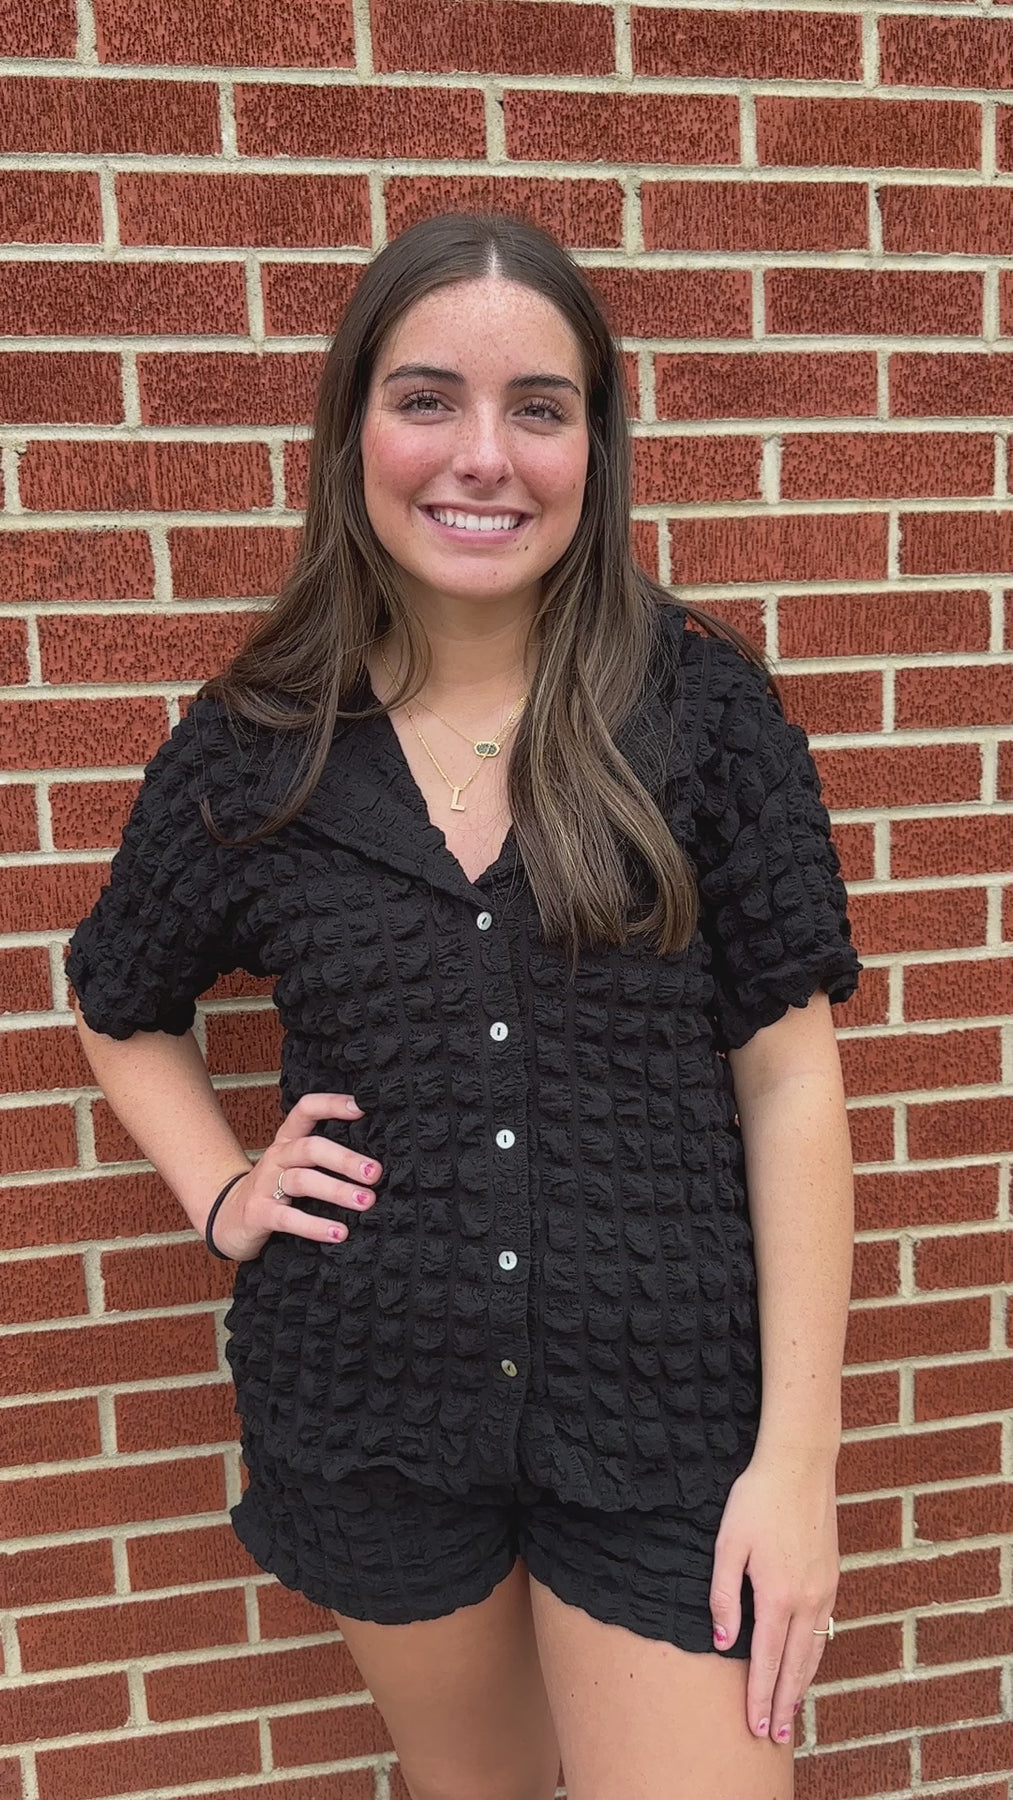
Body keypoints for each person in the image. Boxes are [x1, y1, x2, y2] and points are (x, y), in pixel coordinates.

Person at [68, 211, 860, 1800]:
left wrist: (796, 1466)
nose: (481, 457)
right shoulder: (261, 746)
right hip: (374, 1408)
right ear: (354, 428)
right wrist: (224, 1190)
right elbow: (116, 996)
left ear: (594, 447)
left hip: (665, 1422)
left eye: (537, 408)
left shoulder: (699, 713)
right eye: (426, 399)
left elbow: (788, 1085)